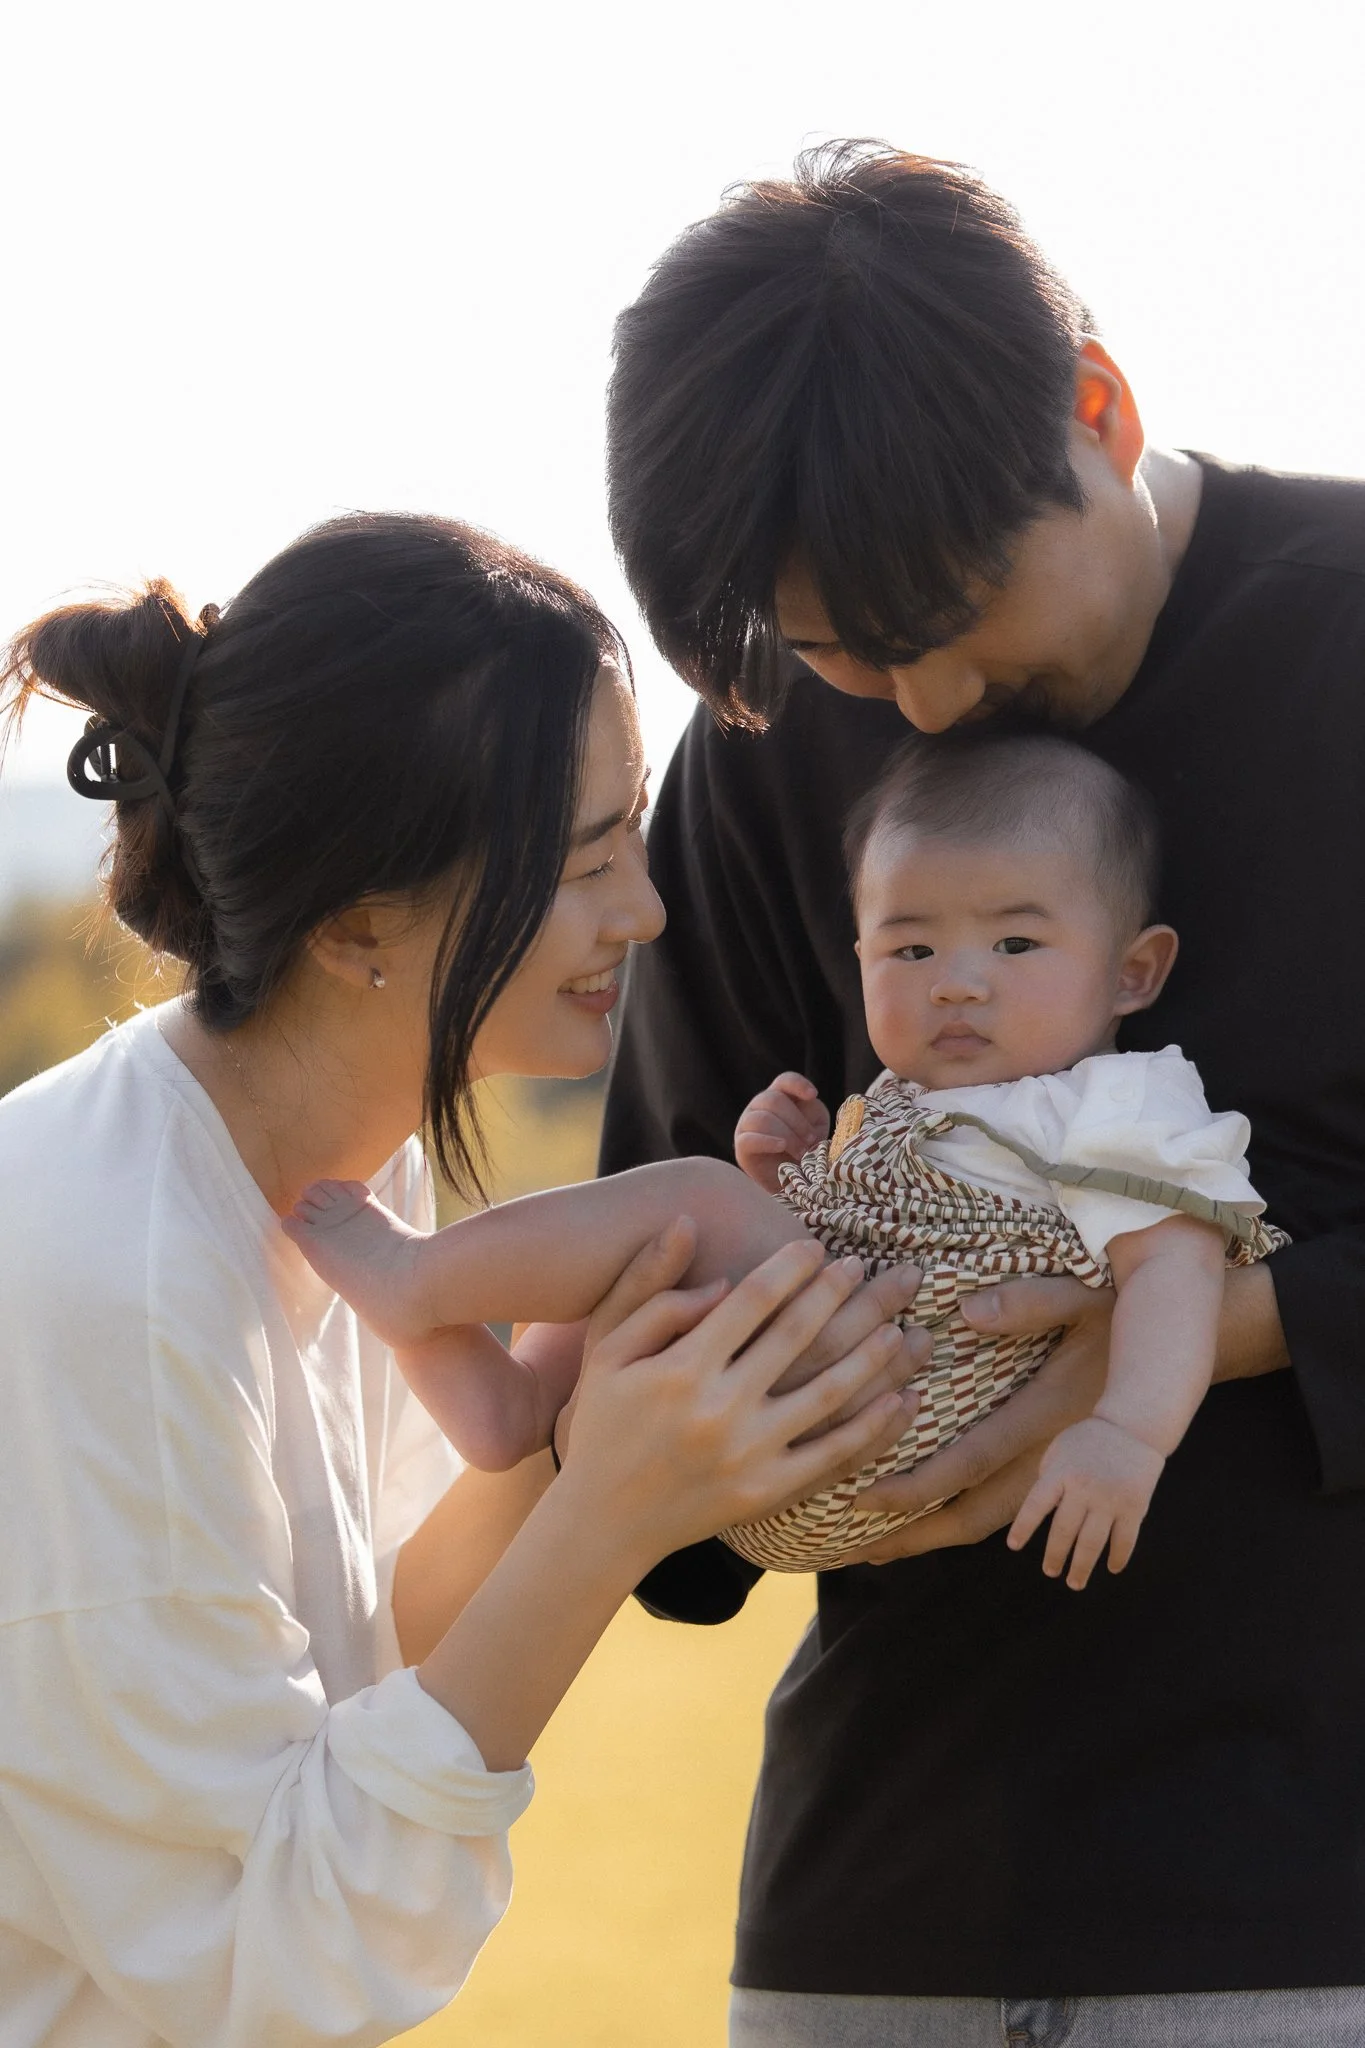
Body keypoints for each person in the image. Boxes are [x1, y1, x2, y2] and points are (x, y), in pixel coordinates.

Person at [602, 141, 1365, 2045]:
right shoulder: (773, 748)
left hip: (1315, 1905)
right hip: (876, 1912)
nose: (922, 708)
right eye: (847, 650)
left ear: (1097, 412)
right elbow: (660, 1387)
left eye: (947, 614)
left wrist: (1189, 1318)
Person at [0, 514, 916, 2048]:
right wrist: (614, 1507)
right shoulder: (117, 1278)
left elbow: (392, 1631)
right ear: (361, 922)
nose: (646, 910)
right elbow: (275, 1957)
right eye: (586, 863)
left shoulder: (344, 1176)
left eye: (634, 836)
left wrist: (585, 1386)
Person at [285, 732, 1282, 1593]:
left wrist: (1129, 1430)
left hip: (909, 1413)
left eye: (1016, 942)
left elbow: (1178, 1270)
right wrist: (786, 1180)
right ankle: (515, 1408)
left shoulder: (1125, 1102)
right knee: (667, 1243)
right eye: (913, 951)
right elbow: (852, 1247)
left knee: (691, 1199)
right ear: (859, 958)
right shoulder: (907, 1108)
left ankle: (420, 1278)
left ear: (1133, 969)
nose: (960, 985)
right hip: (812, 1431)